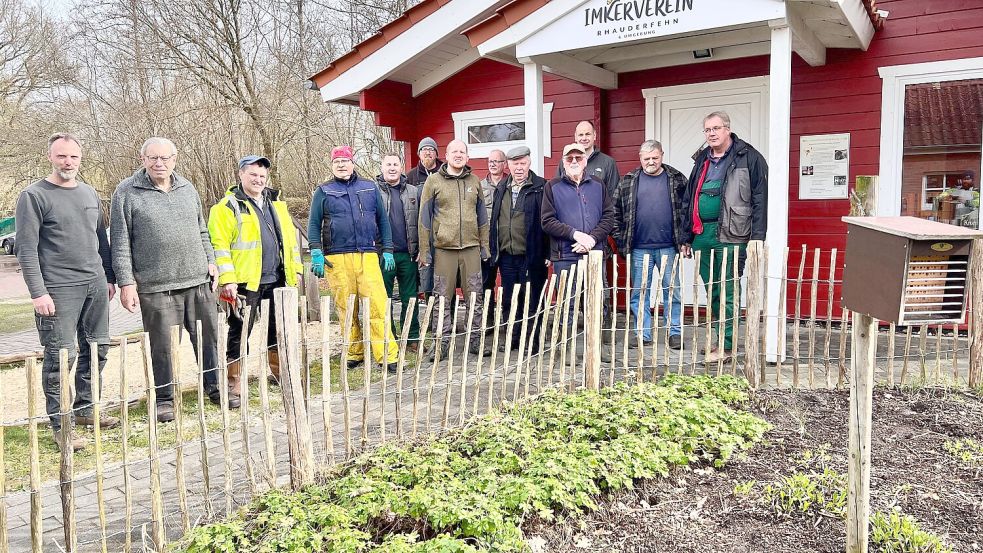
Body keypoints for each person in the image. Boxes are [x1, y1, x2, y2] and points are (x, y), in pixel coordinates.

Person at [111, 137, 229, 422]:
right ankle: (165, 398)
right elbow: (120, 241)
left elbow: (202, 230)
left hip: (198, 281)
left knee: (208, 338)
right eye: (153, 158)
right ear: (143, 159)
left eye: (165, 158)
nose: (159, 163)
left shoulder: (187, 188)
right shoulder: (126, 192)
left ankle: (214, 387)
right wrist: (127, 283)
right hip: (156, 286)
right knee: (162, 346)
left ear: (175, 159)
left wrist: (211, 261)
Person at [15, 133, 119, 451]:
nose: (67, 162)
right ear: (50, 157)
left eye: (73, 157)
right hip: (58, 289)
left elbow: (101, 239)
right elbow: (26, 249)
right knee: (62, 357)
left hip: (95, 284)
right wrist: (38, 292)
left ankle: (86, 410)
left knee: (96, 348)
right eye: (61, 156)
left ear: (80, 158)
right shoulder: (33, 196)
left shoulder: (88, 193)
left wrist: (110, 276)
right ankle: (62, 426)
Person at [208, 155, 303, 398]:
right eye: (253, 175)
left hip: (277, 278)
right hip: (244, 282)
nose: (258, 180)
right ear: (241, 175)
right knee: (240, 330)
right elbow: (219, 246)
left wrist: (296, 270)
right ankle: (234, 380)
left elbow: (289, 242)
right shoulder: (227, 207)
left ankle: (278, 371)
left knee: (277, 329)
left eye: (262, 176)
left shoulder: (276, 204)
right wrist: (227, 278)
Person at [680, 111, 768, 363]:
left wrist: (757, 235)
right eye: (708, 130)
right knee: (712, 290)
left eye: (717, 128)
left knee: (728, 288)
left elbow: (761, 198)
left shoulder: (749, 157)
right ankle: (717, 340)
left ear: (727, 129)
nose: (712, 133)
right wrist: (686, 237)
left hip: (733, 233)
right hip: (702, 234)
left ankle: (727, 346)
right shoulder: (701, 161)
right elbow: (690, 199)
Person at [309, 146, 399, 372]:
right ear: (332, 165)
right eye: (336, 161)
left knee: (377, 305)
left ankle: (387, 355)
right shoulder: (324, 191)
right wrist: (316, 251)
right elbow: (313, 223)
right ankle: (354, 351)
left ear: (352, 163)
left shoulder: (369, 188)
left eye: (345, 160)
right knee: (346, 306)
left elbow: (383, 220)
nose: (341, 165)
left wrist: (387, 248)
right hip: (337, 258)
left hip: (368, 255)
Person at [418, 139, 491, 359]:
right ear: (447, 156)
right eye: (454, 151)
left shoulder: (474, 181)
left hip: (471, 248)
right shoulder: (433, 182)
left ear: (467, 157)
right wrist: (424, 250)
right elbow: (424, 218)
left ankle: (476, 341)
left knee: (475, 297)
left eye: (462, 152)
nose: (458, 155)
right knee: (442, 299)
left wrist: (484, 245)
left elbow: (483, 218)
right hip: (444, 250)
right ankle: (441, 344)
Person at [613, 140, 688, 350]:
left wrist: (685, 239)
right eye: (647, 158)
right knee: (640, 293)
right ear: (640, 158)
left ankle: (674, 332)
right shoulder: (628, 181)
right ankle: (642, 334)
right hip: (639, 248)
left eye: (655, 157)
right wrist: (621, 240)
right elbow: (614, 212)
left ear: (662, 155)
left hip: (669, 247)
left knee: (672, 291)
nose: (651, 162)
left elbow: (688, 210)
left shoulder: (677, 179)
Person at [542, 143, 616, 324]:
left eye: (578, 157)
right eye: (570, 158)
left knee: (596, 301)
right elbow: (547, 221)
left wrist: (591, 238)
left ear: (585, 161)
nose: (574, 161)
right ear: (563, 162)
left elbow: (608, 216)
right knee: (567, 304)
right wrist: (575, 234)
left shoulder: (598, 184)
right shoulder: (552, 186)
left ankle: (598, 347)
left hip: (594, 252)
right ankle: (565, 346)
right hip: (565, 255)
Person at [489, 145, 549, 351]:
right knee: (509, 300)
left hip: (532, 255)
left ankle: (531, 341)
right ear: (509, 165)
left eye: (523, 163)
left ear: (529, 163)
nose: (519, 168)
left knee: (531, 299)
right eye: (515, 163)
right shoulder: (502, 187)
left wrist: (547, 253)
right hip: (507, 255)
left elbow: (548, 221)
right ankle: (513, 338)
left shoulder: (541, 187)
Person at [375, 153, 421, 352]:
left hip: (408, 253)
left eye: (395, 164)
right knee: (383, 298)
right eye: (388, 164)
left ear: (401, 168)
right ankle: (388, 337)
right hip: (383, 254)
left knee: (410, 298)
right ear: (382, 167)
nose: (392, 168)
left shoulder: (413, 191)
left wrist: (421, 248)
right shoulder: (373, 191)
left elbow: (421, 222)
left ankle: (411, 338)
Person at [408, 137, 443, 297]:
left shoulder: (446, 171)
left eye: (431, 149)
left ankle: (446, 313)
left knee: (445, 277)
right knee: (426, 278)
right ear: (419, 154)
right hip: (422, 234)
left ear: (436, 153)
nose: (427, 152)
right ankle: (430, 317)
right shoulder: (411, 177)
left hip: (444, 233)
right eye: (424, 150)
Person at [555, 120, 619, 197]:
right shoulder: (565, 162)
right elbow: (557, 191)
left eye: (588, 134)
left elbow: (613, 196)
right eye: (580, 135)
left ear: (594, 135)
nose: (584, 138)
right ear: (575, 137)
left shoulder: (608, 162)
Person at [480, 148, 508, 302]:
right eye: (490, 161)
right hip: (487, 244)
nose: (493, 164)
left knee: (508, 285)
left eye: (496, 161)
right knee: (486, 284)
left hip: (506, 243)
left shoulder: (511, 185)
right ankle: (488, 322)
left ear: (504, 164)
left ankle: (504, 319)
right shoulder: (480, 186)